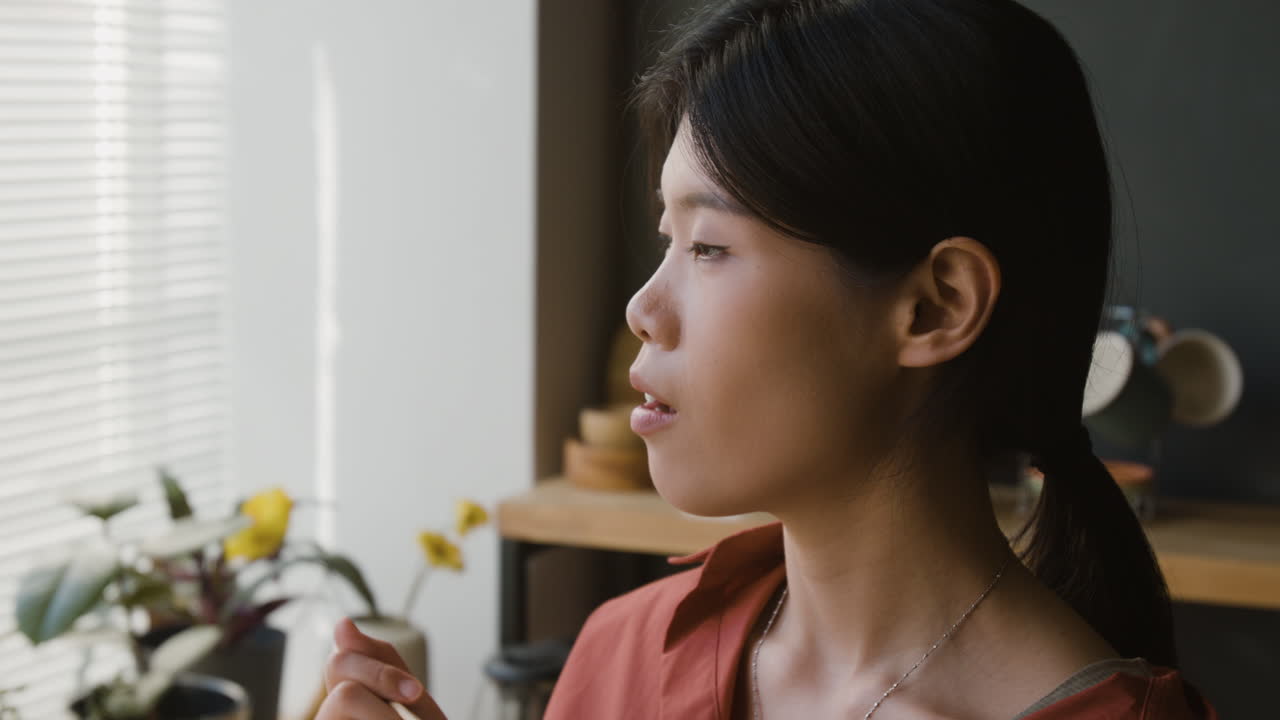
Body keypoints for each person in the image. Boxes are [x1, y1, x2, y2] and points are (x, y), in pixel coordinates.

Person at [317, 0, 1219, 718]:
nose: (642, 309)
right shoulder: (624, 655)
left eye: (709, 247)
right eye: (666, 241)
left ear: (935, 306)